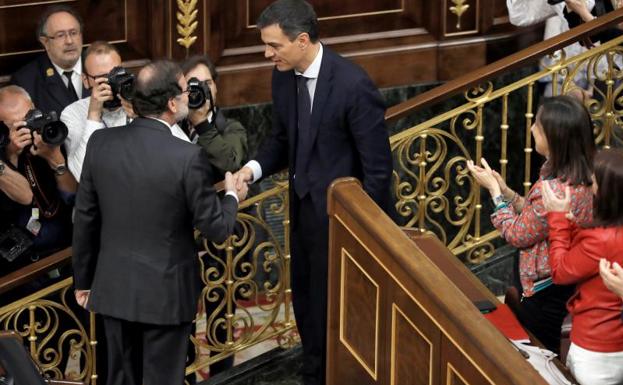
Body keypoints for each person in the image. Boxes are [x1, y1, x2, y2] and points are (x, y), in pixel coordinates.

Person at [234, 1, 393, 384]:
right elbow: (281, 138)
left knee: (337, 308)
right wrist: (250, 170)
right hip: (304, 213)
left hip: (345, 224)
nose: (267, 53)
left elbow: (377, 170)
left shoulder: (353, 85)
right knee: (306, 300)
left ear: (302, 40)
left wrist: (365, 233)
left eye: (274, 45)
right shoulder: (282, 76)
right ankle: (313, 369)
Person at [71, 60, 247, 385]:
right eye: (184, 90)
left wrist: (83, 280)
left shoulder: (101, 144)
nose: (188, 95)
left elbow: (85, 218)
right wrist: (233, 195)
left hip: (113, 290)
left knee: (120, 379)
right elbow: (217, 228)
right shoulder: (187, 156)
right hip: (166, 295)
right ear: (171, 103)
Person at [467, 95, 595, 354]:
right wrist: (506, 190)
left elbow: (517, 233)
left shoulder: (555, 187)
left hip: (544, 287)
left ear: (554, 136)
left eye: (537, 124)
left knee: (541, 351)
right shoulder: (581, 174)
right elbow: (538, 217)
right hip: (566, 278)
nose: (532, 128)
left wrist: (494, 193)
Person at [541, 148, 623, 385]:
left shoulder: (601, 239)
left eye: (595, 180)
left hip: (597, 349)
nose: (590, 184)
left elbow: (559, 271)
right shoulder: (607, 234)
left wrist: (557, 219)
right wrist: (573, 226)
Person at [0, 86, 76, 258]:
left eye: (30, 117)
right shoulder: (3, 149)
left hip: (67, 238)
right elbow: (9, 208)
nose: (29, 127)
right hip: (28, 251)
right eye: (18, 126)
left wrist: (55, 159)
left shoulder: (55, 132)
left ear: (34, 106)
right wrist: (11, 155)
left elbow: (73, 196)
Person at [61, 41, 135, 181]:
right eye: (102, 78)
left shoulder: (141, 103)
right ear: (85, 80)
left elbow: (178, 147)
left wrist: (140, 118)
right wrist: (93, 115)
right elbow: (80, 174)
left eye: (116, 74)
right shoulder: (73, 113)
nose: (111, 83)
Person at [11, 5, 88, 116]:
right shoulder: (26, 82)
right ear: (45, 42)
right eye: (60, 35)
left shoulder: (99, 65)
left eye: (73, 33)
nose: (69, 41)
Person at [181, 55, 247, 178]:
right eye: (193, 85)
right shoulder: (173, 127)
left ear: (216, 87)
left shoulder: (231, 128)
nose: (202, 90)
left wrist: (201, 123)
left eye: (207, 83)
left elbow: (231, 166)